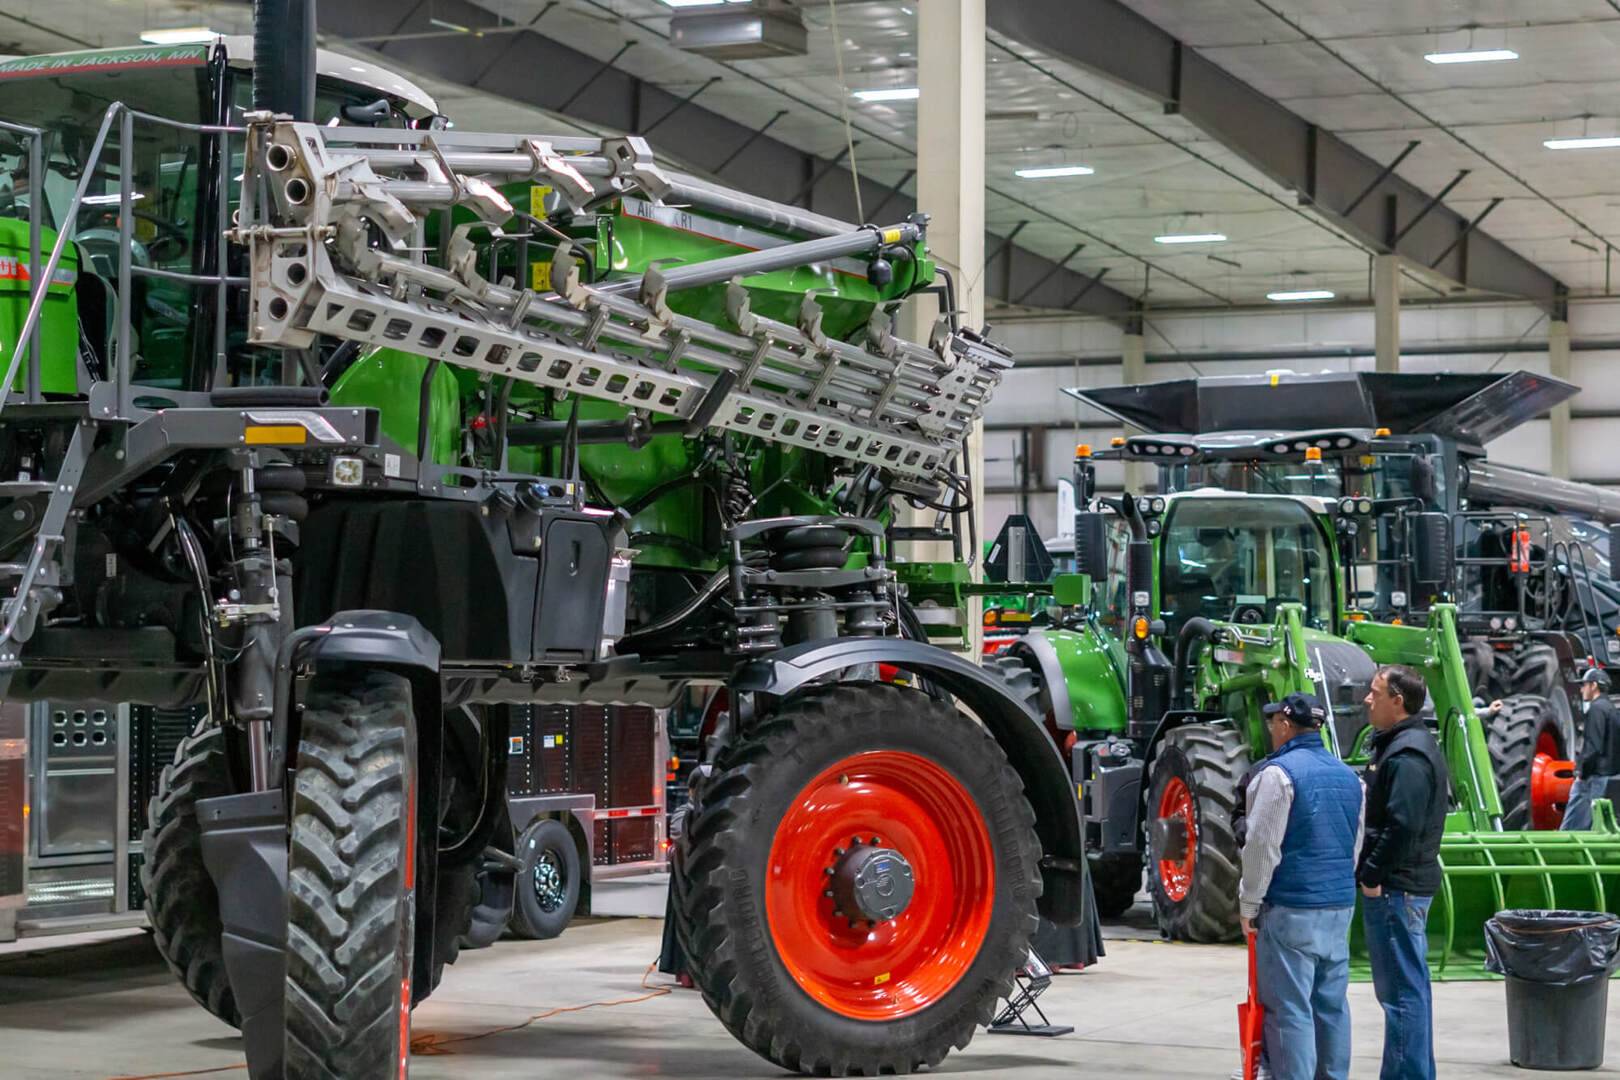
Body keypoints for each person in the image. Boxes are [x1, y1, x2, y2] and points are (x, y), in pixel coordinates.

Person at [1239, 692, 1364, 1080]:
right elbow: (1354, 846)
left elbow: (1261, 846)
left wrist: (1249, 904)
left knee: (1290, 1010)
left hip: (1291, 909)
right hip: (1339, 906)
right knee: (1331, 1006)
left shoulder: (1277, 775)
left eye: (1274, 721)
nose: (1271, 728)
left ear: (1284, 725)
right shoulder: (1351, 778)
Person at [1358, 665, 1449, 1080]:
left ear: (1398, 701)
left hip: (1398, 889)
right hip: (1403, 886)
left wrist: (1372, 875)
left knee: (1401, 995)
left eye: (1375, 693)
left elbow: (1403, 824)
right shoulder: (1401, 745)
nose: (1366, 700)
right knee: (1408, 992)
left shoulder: (1408, 754)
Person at [1562, 668, 1620, 831]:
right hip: (1607, 777)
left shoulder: (1596, 709)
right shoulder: (1611, 709)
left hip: (1592, 778)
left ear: (1593, 685)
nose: (1581, 690)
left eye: (1584, 685)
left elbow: (1593, 746)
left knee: (1571, 828)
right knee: (1597, 827)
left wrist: (1581, 772)